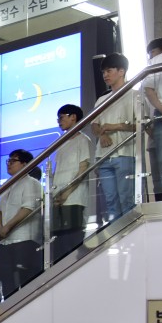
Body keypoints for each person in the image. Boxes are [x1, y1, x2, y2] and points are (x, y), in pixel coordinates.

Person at [92, 53, 136, 220]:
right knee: (110, 202)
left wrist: (115, 126)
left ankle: (131, 239)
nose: (105, 75)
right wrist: (101, 133)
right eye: (103, 72)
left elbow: (140, 124)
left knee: (127, 199)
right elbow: (94, 124)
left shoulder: (135, 94)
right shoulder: (101, 99)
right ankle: (117, 242)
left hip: (125, 153)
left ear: (121, 71)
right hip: (103, 155)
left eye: (109, 71)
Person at [0, 149, 43, 298]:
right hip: (5, 243)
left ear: (24, 164)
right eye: (8, 161)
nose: (9, 164)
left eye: (13, 161)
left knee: (26, 284)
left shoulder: (32, 183)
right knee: (7, 286)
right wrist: (0, 228)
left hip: (24, 240)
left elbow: (28, 208)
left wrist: (7, 227)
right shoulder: (7, 186)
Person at [50, 104, 92, 262]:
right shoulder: (61, 143)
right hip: (58, 199)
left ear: (73, 117)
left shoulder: (83, 140)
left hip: (74, 199)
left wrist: (67, 192)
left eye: (61, 117)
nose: (59, 121)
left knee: (71, 241)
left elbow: (83, 168)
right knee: (58, 244)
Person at [143, 37, 162, 202]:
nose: (151, 55)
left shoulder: (155, 61)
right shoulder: (156, 61)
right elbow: (148, 88)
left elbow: (148, 88)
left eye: (153, 51)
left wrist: (161, 107)